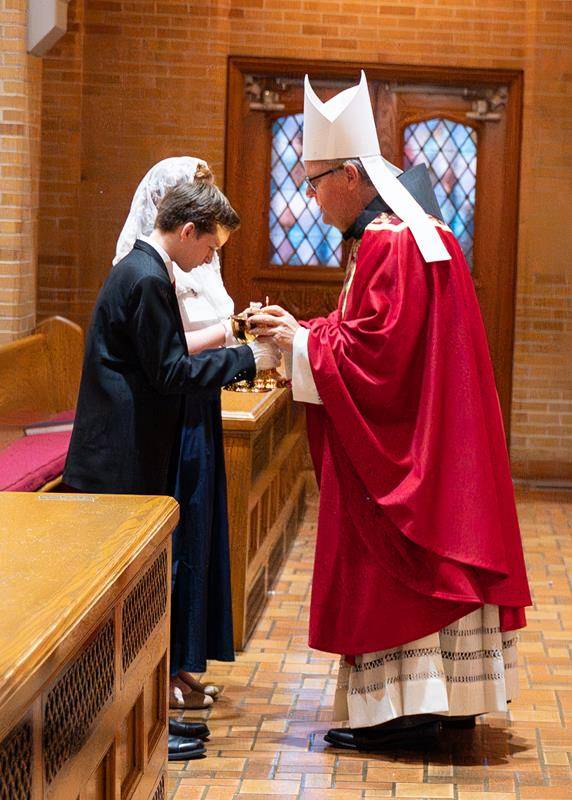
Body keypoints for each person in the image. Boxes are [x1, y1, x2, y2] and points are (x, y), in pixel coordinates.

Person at [250, 71, 531, 751]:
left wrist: (304, 343)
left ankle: (403, 713)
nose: (309, 197)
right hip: (449, 441)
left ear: (350, 175)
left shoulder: (390, 243)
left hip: (411, 447)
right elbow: (377, 336)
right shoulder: (420, 233)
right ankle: (446, 703)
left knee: (399, 560)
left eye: (313, 182)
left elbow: (377, 363)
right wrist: (308, 333)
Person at [64, 178, 280, 759]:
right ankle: (127, 707)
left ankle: (146, 696)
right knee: (123, 588)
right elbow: (170, 373)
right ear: (187, 232)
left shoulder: (146, 271)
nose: (210, 259)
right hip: (117, 462)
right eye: (210, 247)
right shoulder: (146, 278)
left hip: (127, 452)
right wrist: (246, 359)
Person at [113, 156, 251, 713]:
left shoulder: (186, 262)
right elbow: (167, 359)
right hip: (172, 412)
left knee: (198, 538)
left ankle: (183, 663)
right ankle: (163, 667)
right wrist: (237, 345)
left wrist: (232, 337)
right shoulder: (145, 271)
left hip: (198, 404)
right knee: (177, 544)